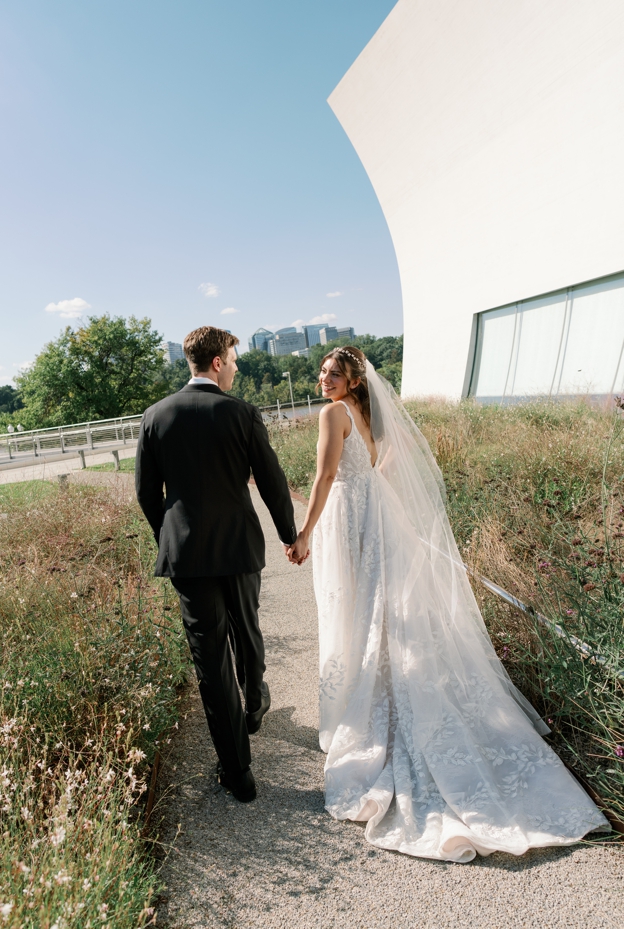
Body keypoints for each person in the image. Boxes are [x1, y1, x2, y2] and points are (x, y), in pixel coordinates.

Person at [291, 345, 608, 860]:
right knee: (377, 611)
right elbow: (379, 466)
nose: (324, 379)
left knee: (356, 610)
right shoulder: (367, 413)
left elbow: (326, 477)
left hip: (350, 519)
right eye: (323, 371)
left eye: (334, 373)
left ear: (352, 380)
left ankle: (365, 698)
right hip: (374, 517)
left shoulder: (332, 413)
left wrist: (306, 531)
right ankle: (377, 684)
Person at [135, 326, 298, 803]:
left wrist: (170, 540)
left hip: (187, 555)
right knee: (247, 628)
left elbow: (147, 494)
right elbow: (272, 481)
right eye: (234, 357)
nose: (237, 366)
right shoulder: (242, 413)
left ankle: (238, 773)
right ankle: (255, 702)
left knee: (210, 660)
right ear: (219, 362)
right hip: (240, 546)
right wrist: (291, 536)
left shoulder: (155, 416)